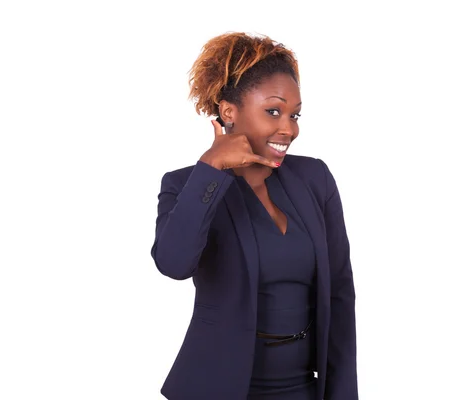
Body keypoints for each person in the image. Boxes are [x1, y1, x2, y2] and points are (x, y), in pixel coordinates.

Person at [150, 32, 358, 400]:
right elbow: (173, 262)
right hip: (219, 390)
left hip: (302, 390)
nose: (289, 128)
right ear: (229, 111)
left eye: (294, 115)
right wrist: (211, 167)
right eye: (273, 111)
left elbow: (340, 294)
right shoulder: (187, 185)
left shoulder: (314, 179)